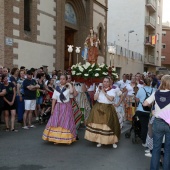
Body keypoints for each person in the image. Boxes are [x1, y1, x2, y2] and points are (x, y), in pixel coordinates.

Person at [85, 77, 120, 148]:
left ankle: (112, 141)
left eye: (107, 82)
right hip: (98, 107)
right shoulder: (99, 88)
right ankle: (99, 140)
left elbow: (111, 99)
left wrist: (104, 92)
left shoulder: (113, 90)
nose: (106, 83)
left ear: (110, 82)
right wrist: (98, 91)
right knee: (99, 125)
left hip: (108, 108)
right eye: (104, 81)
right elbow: (95, 98)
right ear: (102, 82)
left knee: (108, 124)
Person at [143, 75, 170, 170]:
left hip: (158, 122)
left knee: (156, 149)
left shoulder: (156, 93)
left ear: (162, 82)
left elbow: (145, 103)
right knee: (168, 150)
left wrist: (153, 110)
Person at [42, 75, 76, 144]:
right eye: (60, 79)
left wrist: (69, 84)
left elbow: (72, 92)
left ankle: (65, 138)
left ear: (66, 80)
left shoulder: (68, 88)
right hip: (58, 106)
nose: (62, 80)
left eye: (63, 79)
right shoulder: (56, 88)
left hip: (66, 106)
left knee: (65, 122)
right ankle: (56, 138)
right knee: (57, 121)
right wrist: (52, 109)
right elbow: (54, 99)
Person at [135, 78, 153, 146]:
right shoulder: (153, 90)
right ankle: (145, 138)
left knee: (142, 125)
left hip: (140, 110)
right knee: (146, 126)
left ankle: (143, 140)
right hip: (148, 111)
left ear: (144, 83)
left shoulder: (141, 89)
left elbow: (137, 100)